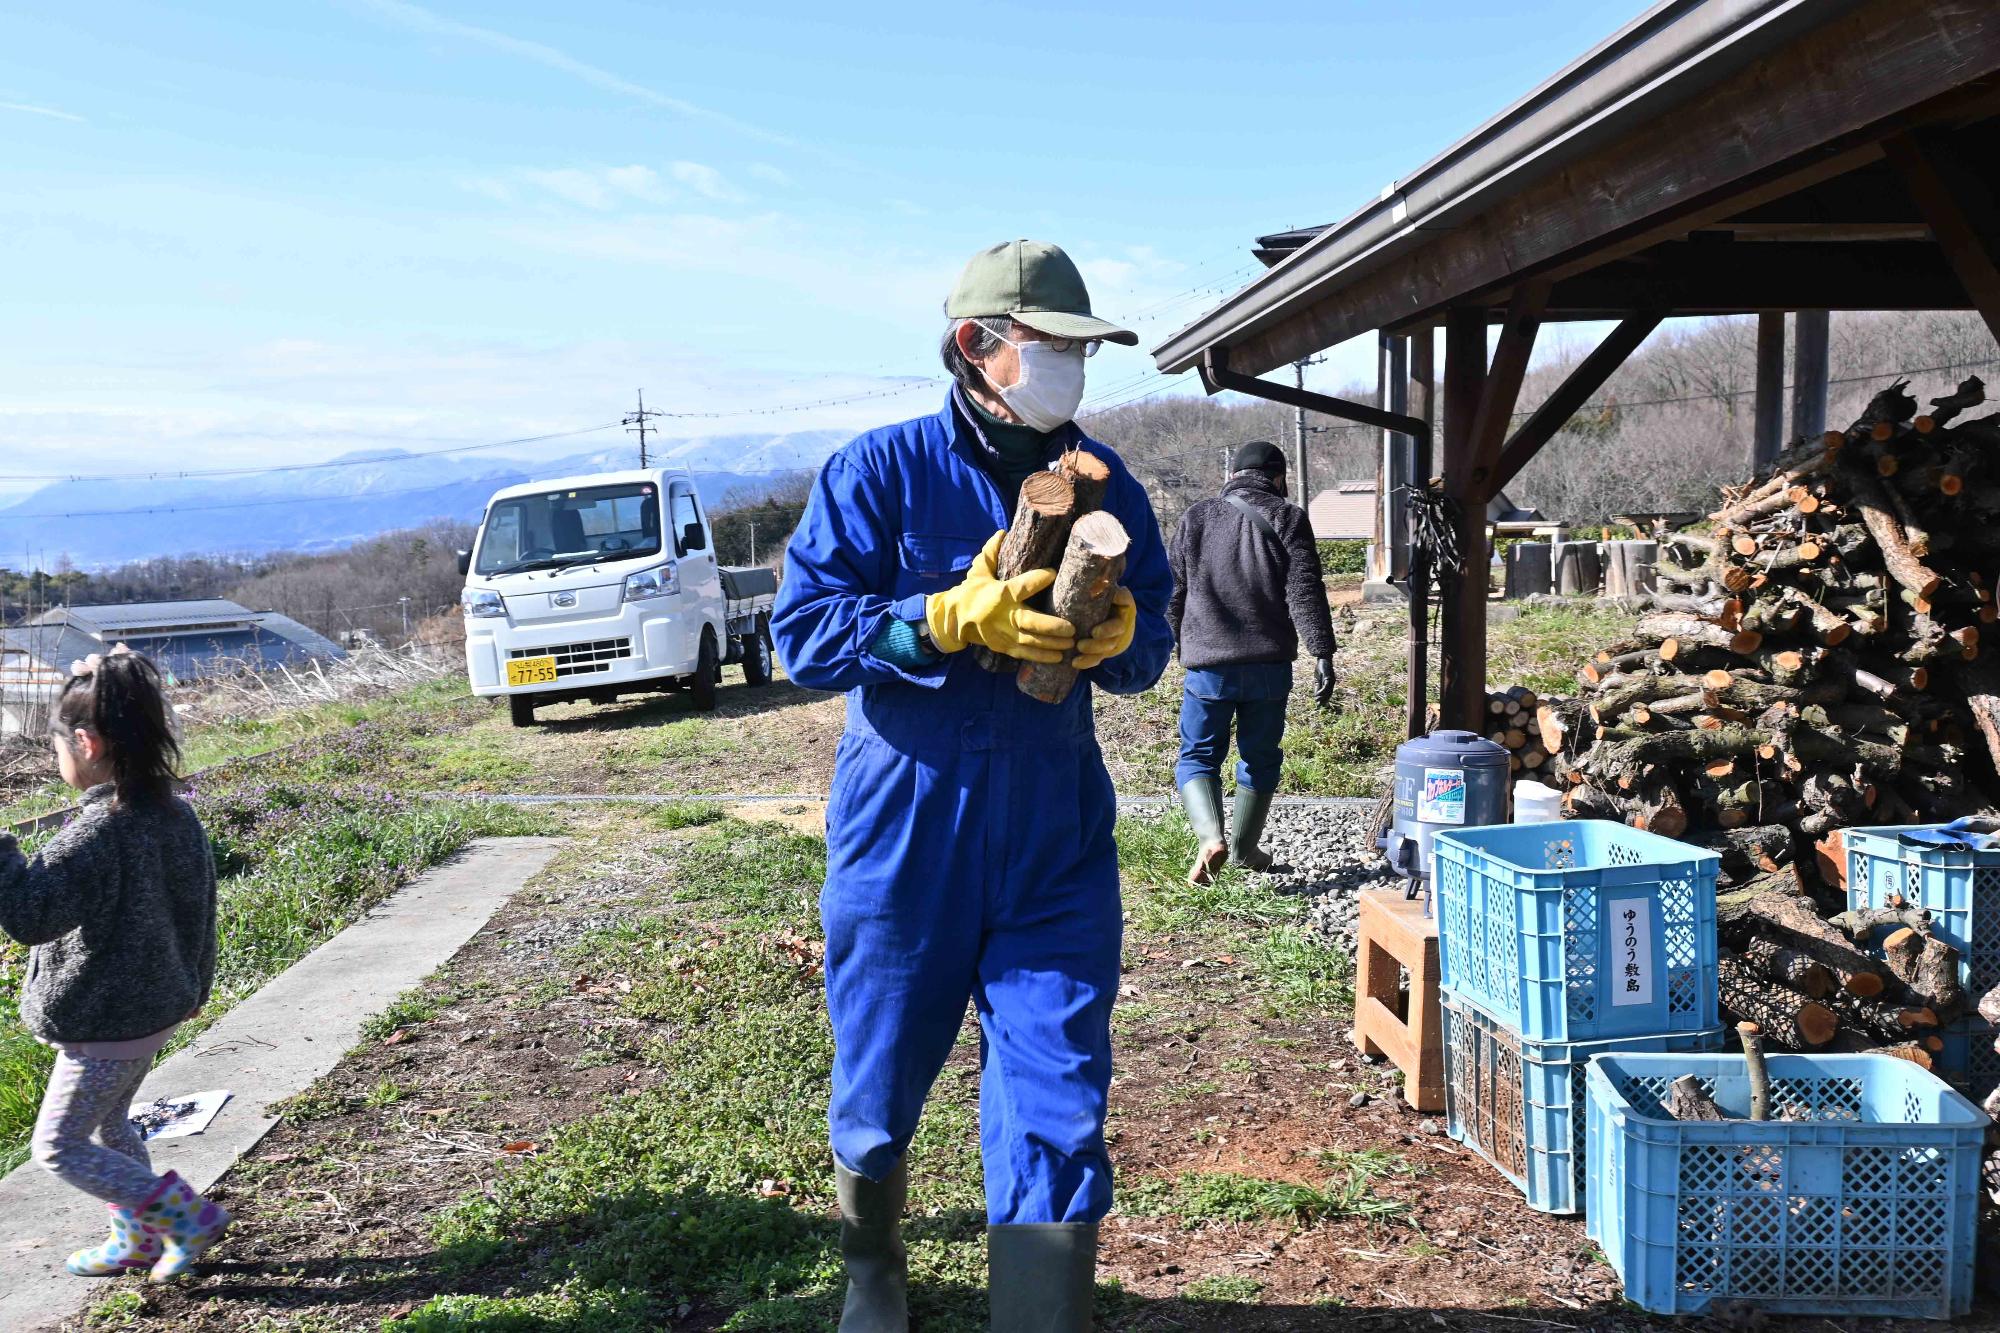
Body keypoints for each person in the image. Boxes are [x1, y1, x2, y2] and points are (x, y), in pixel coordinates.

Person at [771, 239, 1172, 1331]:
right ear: (976, 348)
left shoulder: (1108, 484)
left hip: (1052, 832)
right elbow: (800, 636)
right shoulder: (879, 472)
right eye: (1052, 350)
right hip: (905, 825)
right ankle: (871, 1270)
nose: (1071, 375)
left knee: (1056, 1091)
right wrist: (937, 616)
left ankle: (1034, 1317)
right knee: (879, 1076)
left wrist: (1126, 633)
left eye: (1082, 355)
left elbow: (1152, 646)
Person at [0, 649, 228, 1283]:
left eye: (57, 746)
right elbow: (199, 908)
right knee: (110, 1126)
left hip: (107, 1021)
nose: (57, 760)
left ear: (86, 741)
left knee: (58, 1146)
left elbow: (31, 914)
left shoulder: (99, 831)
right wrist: (194, 984)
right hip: (156, 1005)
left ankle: (185, 1218)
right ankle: (136, 1239)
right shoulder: (173, 811)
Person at [1168, 440, 1338, 884]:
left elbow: (1172, 591)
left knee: (1198, 755)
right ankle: (1245, 848)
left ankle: (1210, 839)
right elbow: (1304, 590)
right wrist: (1322, 652)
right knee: (1260, 757)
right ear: (1277, 476)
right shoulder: (1288, 516)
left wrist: (1168, 645)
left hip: (1208, 666)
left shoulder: (1196, 517)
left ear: (1233, 476)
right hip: (1269, 664)